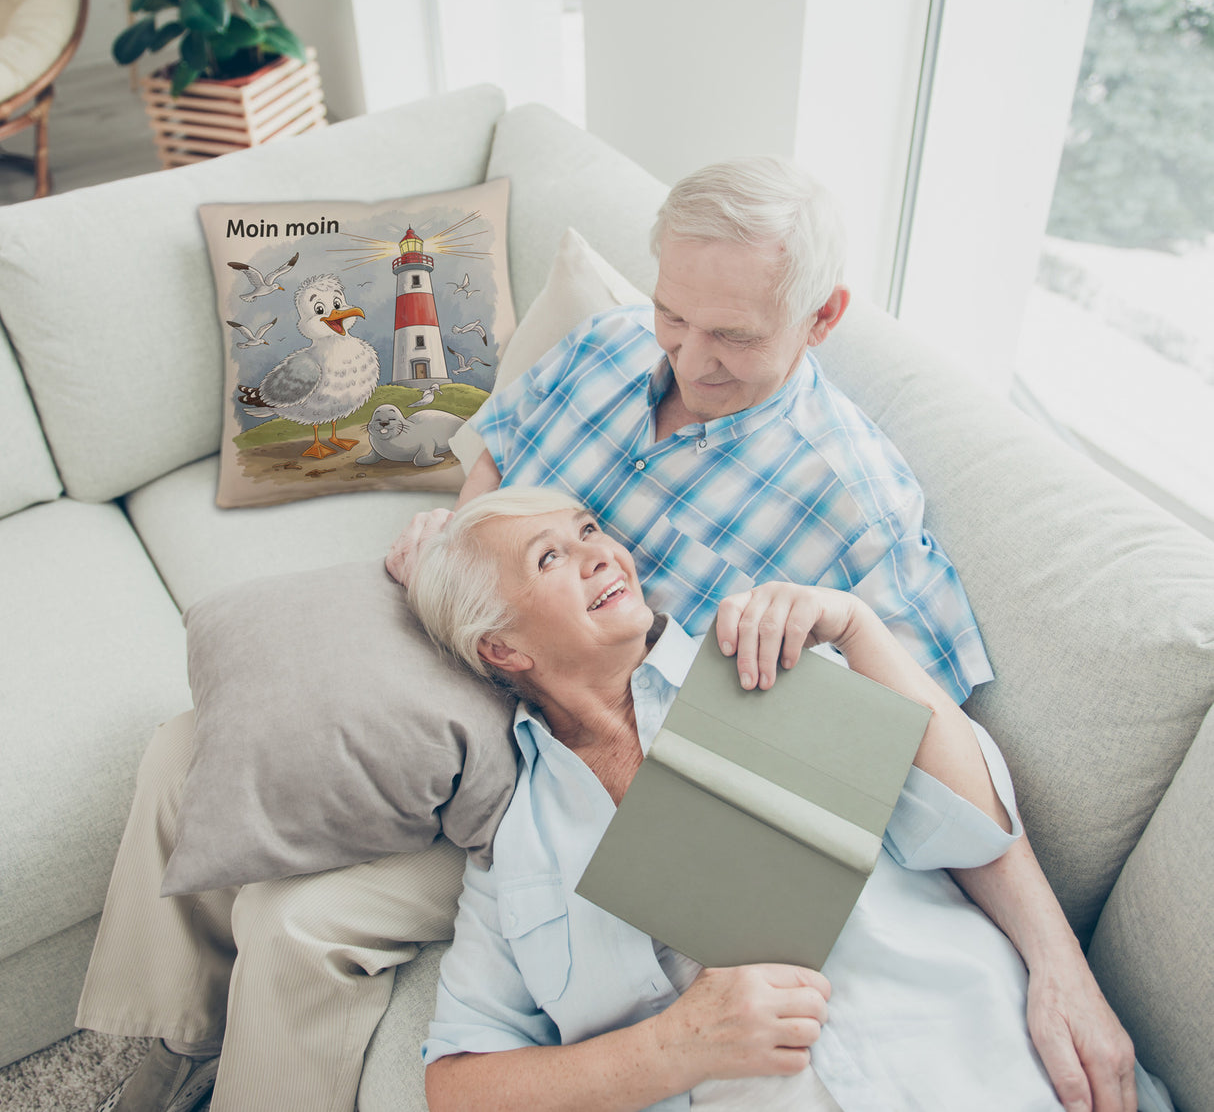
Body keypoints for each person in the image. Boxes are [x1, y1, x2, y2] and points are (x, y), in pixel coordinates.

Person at [80, 158, 1131, 1112]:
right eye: (675, 313)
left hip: (577, 749)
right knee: (192, 744)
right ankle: (155, 1050)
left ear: (820, 319)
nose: (687, 355)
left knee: (300, 922)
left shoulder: (854, 506)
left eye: (732, 336)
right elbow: (496, 454)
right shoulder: (609, 345)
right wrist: (460, 538)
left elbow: (927, 752)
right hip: (488, 643)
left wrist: (1057, 961)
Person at [407, 486, 1160, 1112]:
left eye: (589, 530)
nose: (601, 553)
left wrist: (859, 629)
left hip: (985, 1065)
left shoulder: (762, 660)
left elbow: (972, 827)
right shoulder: (517, 849)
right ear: (502, 648)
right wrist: (674, 1047)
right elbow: (458, 1086)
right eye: (550, 557)